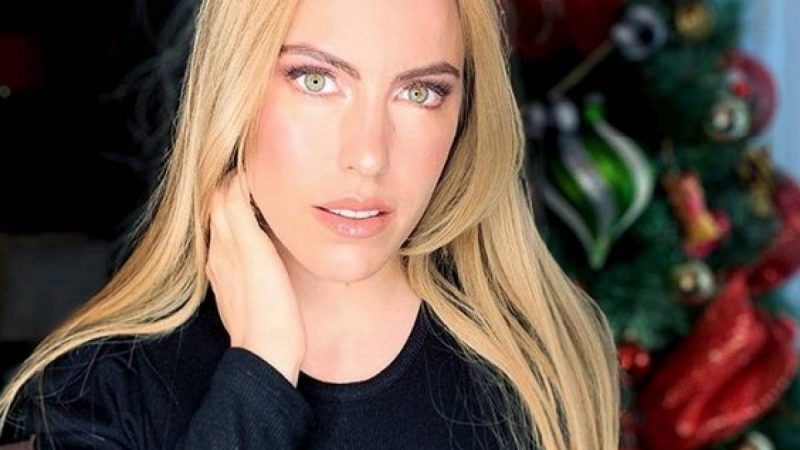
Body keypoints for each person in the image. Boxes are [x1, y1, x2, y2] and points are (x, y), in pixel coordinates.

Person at [0, 0, 621, 448]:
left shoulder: (543, 368)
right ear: (234, 86)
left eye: (421, 92)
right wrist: (260, 372)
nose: (369, 155)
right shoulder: (97, 394)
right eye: (317, 80)